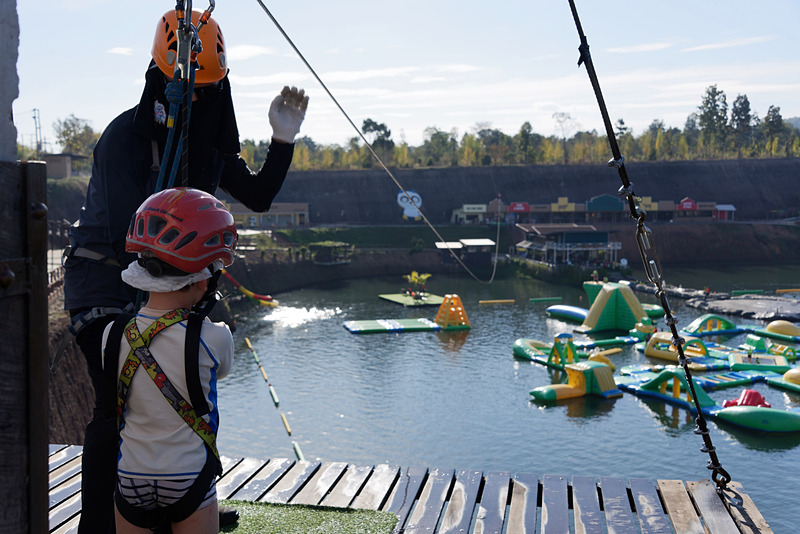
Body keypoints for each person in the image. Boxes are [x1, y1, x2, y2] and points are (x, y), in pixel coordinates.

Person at [62, 9, 308, 533]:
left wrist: (282, 140)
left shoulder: (207, 141)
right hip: (105, 280)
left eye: (207, 92)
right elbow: (130, 237)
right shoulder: (125, 139)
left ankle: (191, 494)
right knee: (115, 405)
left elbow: (257, 195)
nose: (195, 101)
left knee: (192, 386)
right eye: (187, 92)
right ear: (161, 81)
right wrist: (195, 287)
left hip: (166, 277)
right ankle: (101, 523)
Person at [102, 187, 235, 533]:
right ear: (204, 281)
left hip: (131, 473)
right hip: (188, 473)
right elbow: (222, 371)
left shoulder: (112, 334)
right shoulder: (215, 337)